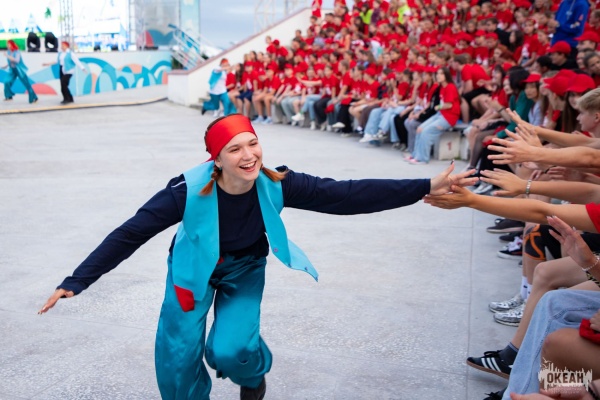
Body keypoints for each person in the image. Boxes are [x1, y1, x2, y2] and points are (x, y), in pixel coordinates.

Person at [37, 114, 477, 400]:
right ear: (217, 158)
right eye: (235, 149)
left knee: (232, 350)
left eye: (252, 143)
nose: (248, 155)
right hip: (191, 272)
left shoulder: (278, 181)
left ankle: (253, 376)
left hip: (244, 269)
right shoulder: (184, 191)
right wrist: (77, 280)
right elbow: (131, 232)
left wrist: (424, 186)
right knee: (177, 359)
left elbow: (346, 194)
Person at [2, 40, 38, 104]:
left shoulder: (17, 52)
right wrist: (5, 66)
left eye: (8, 44)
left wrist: (7, 56)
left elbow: (16, 60)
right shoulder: (9, 52)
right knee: (6, 81)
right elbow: (10, 61)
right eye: (7, 44)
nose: (7, 45)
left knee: (26, 84)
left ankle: (34, 98)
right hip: (12, 70)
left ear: (12, 44)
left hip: (19, 70)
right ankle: (9, 96)